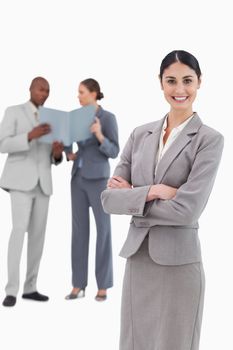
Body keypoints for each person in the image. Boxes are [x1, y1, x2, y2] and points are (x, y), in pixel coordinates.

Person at [101, 51, 224, 349]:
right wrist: (154, 191)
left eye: (187, 81)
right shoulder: (140, 134)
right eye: (171, 81)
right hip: (138, 258)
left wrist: (132, 196)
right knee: (134, 343)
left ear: (199, 83)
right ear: (160, 83)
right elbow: (108, 200)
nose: (179, 90)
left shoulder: (209, 139)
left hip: (178, 263)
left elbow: (187, 210)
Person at [0, 77, 64, 307]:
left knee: (38, 236)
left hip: (43, 183)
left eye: (48, 90)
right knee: (18, 232)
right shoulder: (14, 111)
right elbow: (2, 143)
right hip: (20, 181)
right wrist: (29, 135)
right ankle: (11, 290)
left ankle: (30, 287)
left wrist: (57, 152)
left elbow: (55, 158)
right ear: (30, 89)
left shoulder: (53, 118)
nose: (44, 93)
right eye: (40, 89)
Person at [65, 78, 119, 301]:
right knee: (79, 233)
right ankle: (78, 284)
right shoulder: (74, 117)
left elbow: (114, 151)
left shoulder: (108, 118)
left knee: (103, 231)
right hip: (77, 178)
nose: (78, 96)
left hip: (98, 180)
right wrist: (68, 152)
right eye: (78, 92)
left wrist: (99, 134)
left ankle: (103, 285)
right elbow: (67, 142)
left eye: (82, 92)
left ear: (94, 94)